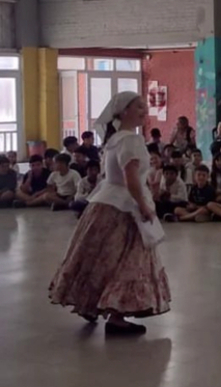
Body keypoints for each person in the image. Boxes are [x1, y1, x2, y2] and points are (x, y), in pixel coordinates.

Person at [49, 91, 171, 334]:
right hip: (124, 208)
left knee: (99, 256)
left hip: (104, 203)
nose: (144, 111)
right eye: (138, 107)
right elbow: (131, 179)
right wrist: (144, 206)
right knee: (127, 261)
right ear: (123, 111)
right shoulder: (131, 140)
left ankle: (90, 303)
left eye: (144, 107)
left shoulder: (113, 140)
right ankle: (116, 317)